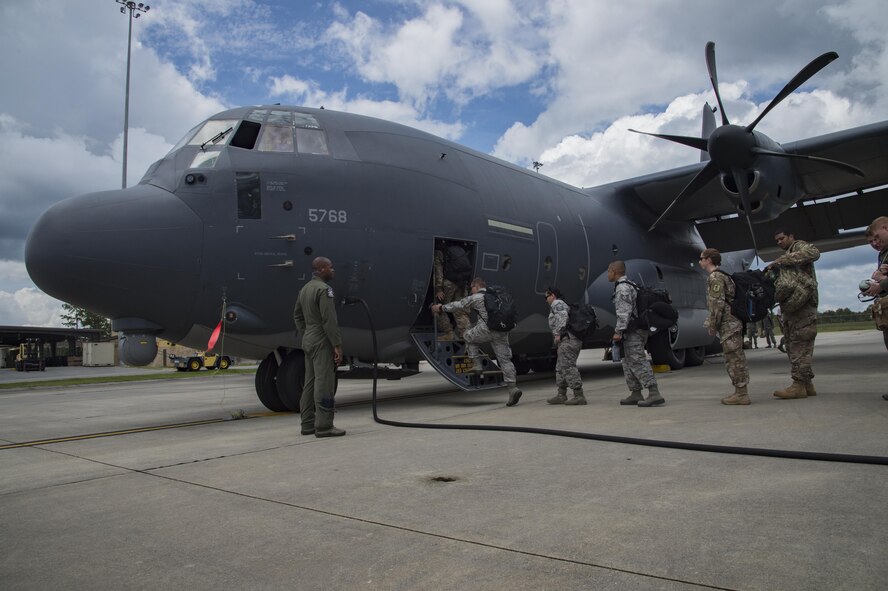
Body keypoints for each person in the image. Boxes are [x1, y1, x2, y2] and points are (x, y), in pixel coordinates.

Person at [431, 277, 522, 406]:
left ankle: (477, 365)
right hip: (502, 331)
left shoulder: (477, 297)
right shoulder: (496, 295)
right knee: (505, 360)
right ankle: (513, 388)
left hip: (487, 329)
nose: (471, 291)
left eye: (472, 289)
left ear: (476, 286)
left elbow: (459, 304)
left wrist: (440, 308)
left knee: (468, 336)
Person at [293, 257, 345, 437]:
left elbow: (297, 316)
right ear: (322, 269)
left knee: (309, 383)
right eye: (331, 267)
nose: (333, 270)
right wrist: (337, 345)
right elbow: (329, 321)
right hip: (322, 340)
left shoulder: (305, 289)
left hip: (309, 339)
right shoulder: (324, 290)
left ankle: (307, 424)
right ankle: (324, 426)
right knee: (324, 384)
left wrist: (306, 333)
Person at [765, 228, 820, 399]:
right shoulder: (789, 254)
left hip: (803, 307)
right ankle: (807, 384)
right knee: (793, 344)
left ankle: (798, 385)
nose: (779, 242)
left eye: (782, 238)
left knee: (799, 345)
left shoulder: (798, 246)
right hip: (793, 307)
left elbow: (814, 252)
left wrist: (782, 260)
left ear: (791, 236)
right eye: (777, 241)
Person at [608, 260, 664, 407]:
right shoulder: (630, 285)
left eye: (609, 271)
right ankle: (635, 392)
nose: (608, 274)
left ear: (614, 271)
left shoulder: (623, 288)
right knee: (627, 361)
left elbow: (624, 312)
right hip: (632, 330)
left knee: (637, 360)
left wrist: (618, 331)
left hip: (633, 330)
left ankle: (653, 392)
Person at [699, 248, 751, 405]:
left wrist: (712, 324)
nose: (700, 261)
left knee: (734, 359)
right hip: (732, 323)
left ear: (709, 260)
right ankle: (740, 391)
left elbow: (717, 303)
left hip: (729, 324)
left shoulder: (715, 277)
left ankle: (742, 393)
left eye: (702, 258)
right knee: (735, 357)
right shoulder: (722, 275)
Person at [544, 287, 585, 405]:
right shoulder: (559, 304)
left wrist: (558, 333)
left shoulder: (557, 303)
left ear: (552, 295)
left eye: (546, 297)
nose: (546, 299)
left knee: (568, 366)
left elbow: (562, 317)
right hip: (566, 340)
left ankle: (579, 395)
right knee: (561, 367)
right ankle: (561, 394)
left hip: (568, 340)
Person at [432, 242, 471, 340]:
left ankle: (449, 333)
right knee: (460, 311)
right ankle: (467, 338)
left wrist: (439, 289)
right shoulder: (459, 251)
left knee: (437, 307)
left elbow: (438, 272)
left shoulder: (440, 253)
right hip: (461, 284)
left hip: (448, 283)